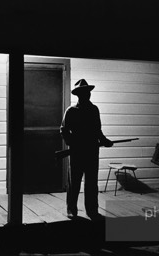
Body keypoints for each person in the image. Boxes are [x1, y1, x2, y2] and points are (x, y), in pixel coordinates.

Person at [60, 79, 113, 220]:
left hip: (92, 151)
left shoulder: (94, 110)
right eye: (84, 92)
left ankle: (92, 210)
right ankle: (71, 210)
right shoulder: (71, 111)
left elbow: (97, 131)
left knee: (91, 183)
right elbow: (64, 130)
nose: (87, 94)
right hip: (77, 152)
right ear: (78, 94)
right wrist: (72, 143)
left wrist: (104, 141)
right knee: (74, 183)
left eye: (88, 92)